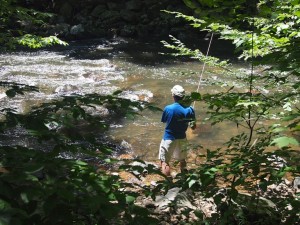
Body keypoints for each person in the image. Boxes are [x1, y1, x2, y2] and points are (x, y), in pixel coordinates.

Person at [158, 85, 196, 177]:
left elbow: (164, 121)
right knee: (182, 160)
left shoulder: (168, 108)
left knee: (164, 162)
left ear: (173, 96)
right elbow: (193, 127)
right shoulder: (190, 109)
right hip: (182, 138)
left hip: (169, 138)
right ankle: (184, 179)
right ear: (183, 96)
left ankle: (169, 183)